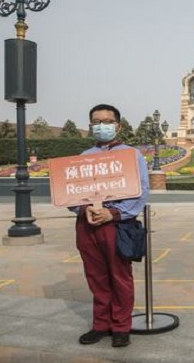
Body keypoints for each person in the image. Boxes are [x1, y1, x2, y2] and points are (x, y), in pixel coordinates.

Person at [72, 104, 149, 348]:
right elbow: (71, 192)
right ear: (91, 126)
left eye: (107, 121)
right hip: (87, 224)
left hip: (117, 225)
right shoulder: (84, 157)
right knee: (96, 277)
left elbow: (141, 191)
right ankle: (100, 325)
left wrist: (112, 213)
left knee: (119, 277)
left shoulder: (131, 155)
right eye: (97, 122)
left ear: (118, 125)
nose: (102, 126)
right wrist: (84, 210)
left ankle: (120, 326)